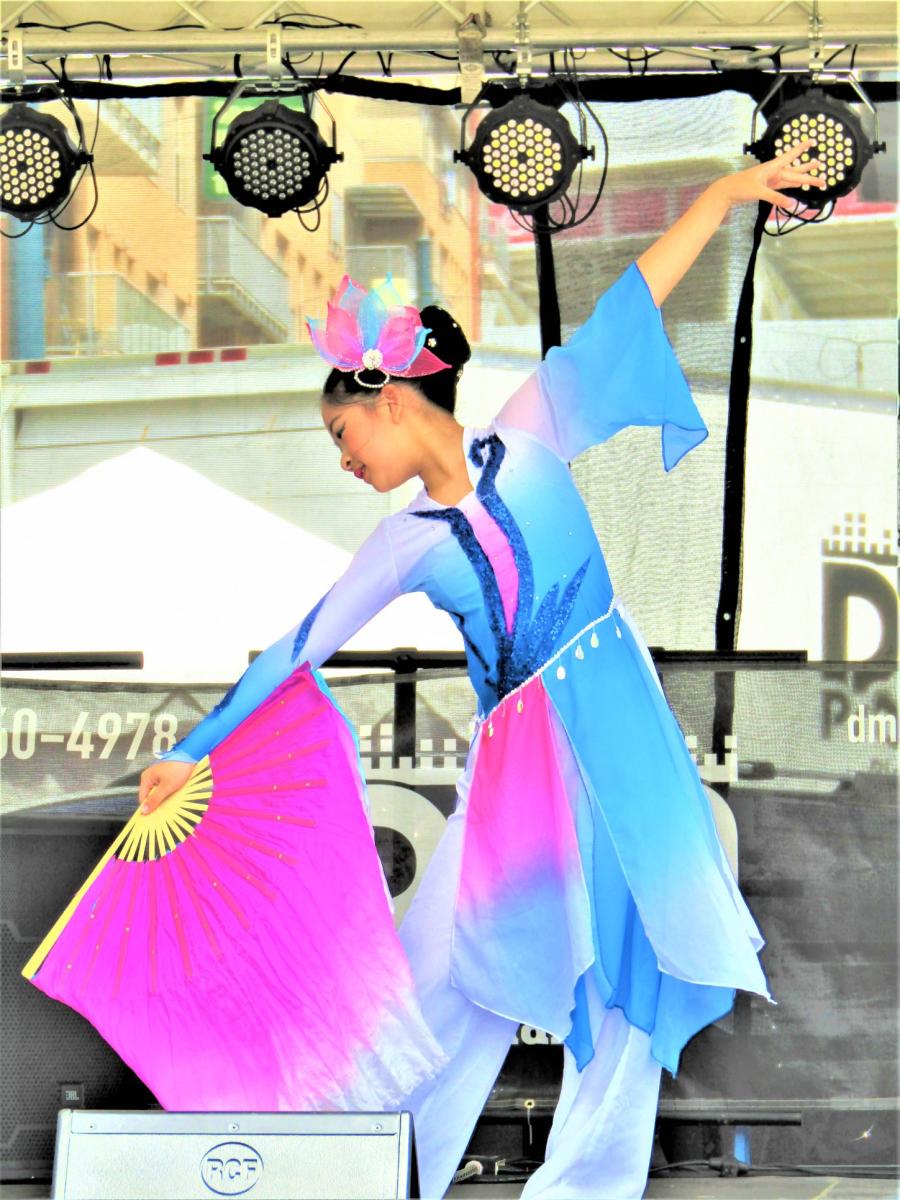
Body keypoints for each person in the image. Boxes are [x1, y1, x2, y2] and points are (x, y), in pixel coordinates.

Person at [140, 140, 825, 1198]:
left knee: (624, 990)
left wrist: (727, 194)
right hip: (520, 771)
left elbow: (633, 303)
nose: (342, 457)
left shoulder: (534, 427)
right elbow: (299, 645)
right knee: (435, 974)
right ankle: (362, 1175)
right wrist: (191, 750)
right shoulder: (405, 539)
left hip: (621, 733)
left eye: (341, 430)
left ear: (394, 399)